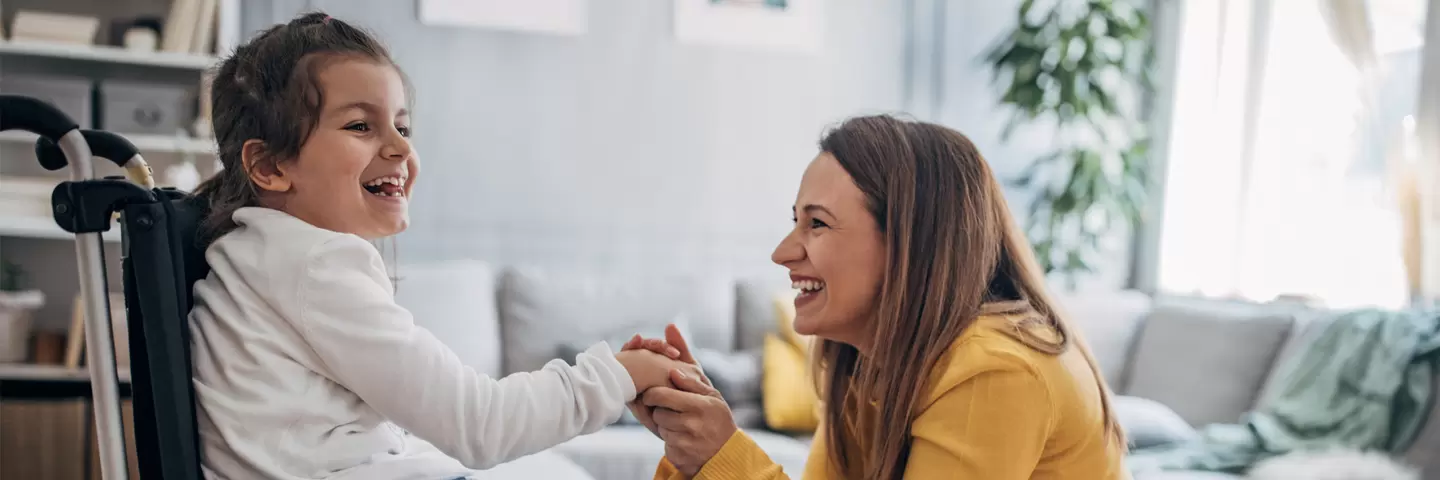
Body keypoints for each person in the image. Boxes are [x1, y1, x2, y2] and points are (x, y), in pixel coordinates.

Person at [186, 12, 693, 480]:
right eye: (361, 125)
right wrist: (621, 375)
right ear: (270, 167)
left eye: (403, 127)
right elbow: (479, 426)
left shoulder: (250, 256)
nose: (401, 147)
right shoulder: (316, 264)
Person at [623, 114, 1132, 479]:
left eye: (817, 223)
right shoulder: (869, 363)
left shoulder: (996, 370)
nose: (782, 253)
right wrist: (695, 446)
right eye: (794, 221)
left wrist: (723, 459)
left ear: (911, 243)